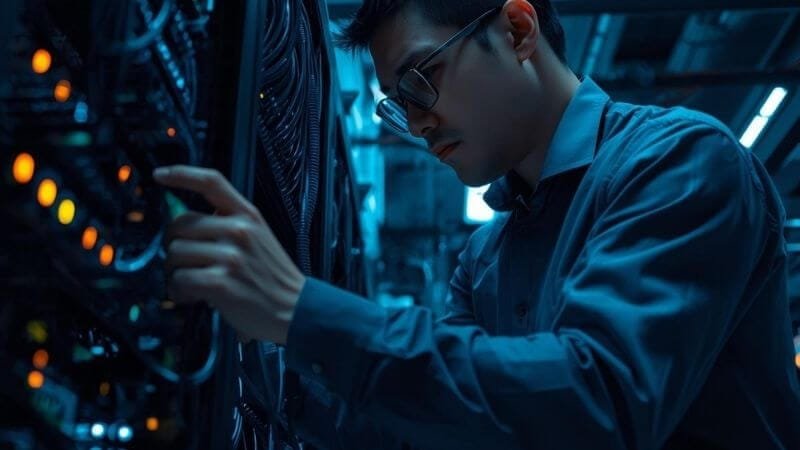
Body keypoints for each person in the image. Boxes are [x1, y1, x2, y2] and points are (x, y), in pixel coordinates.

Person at [153, 0, 800, 448]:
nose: (419, 122)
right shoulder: (487, 255)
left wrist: (301, 310)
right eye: (398, 104)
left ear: (519, 30)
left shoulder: (682, 162)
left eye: (420, 79)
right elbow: (433, 430)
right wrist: (267, 351)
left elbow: (596, 404)